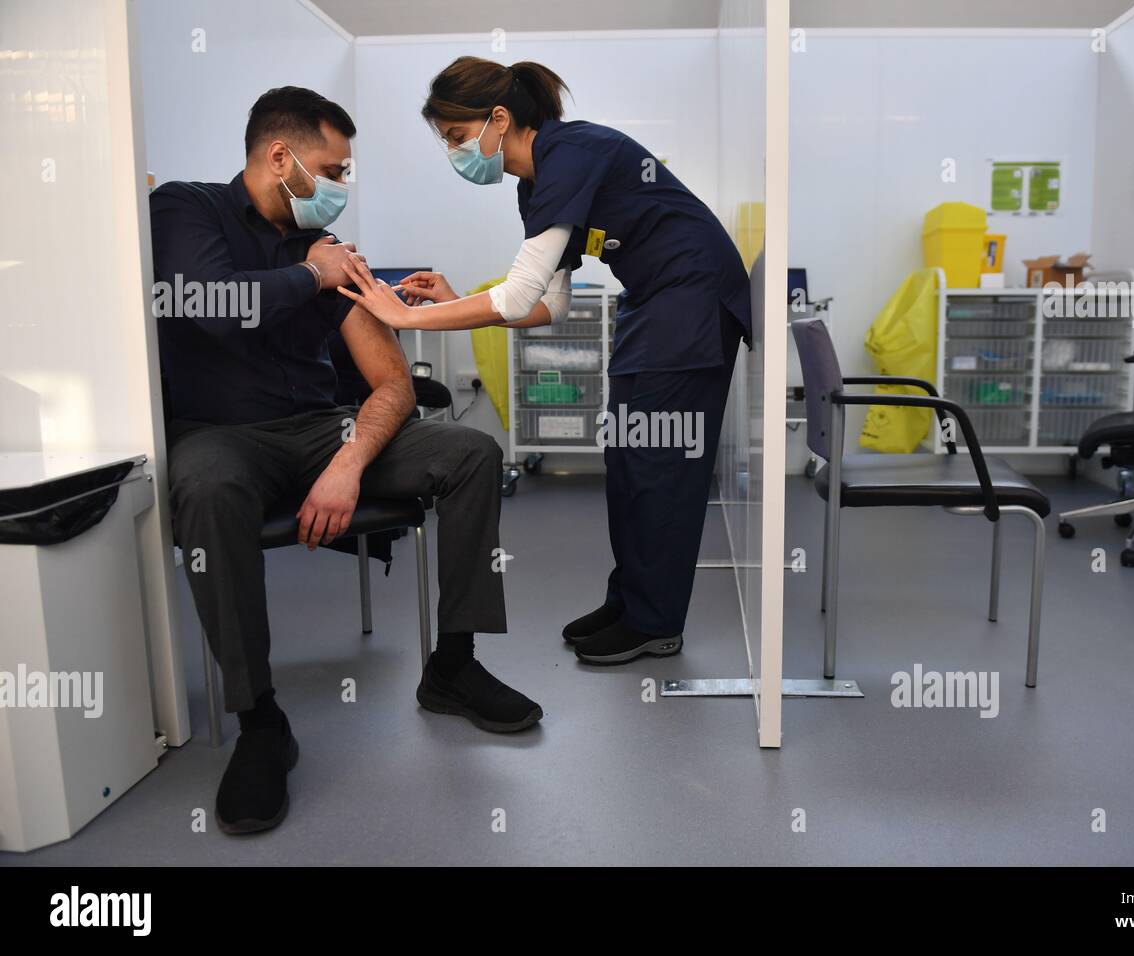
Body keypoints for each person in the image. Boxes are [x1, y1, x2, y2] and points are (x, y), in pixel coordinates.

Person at [151, 86, 541, 836]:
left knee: (471, 454)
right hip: (223, 436)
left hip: (323, 431)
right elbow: (202, 302)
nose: (338, 188)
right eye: (332, 170)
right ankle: (260, 719)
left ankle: (452, 667)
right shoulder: (187, 210)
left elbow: (393, 380)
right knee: (203, 488)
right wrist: (312, 276)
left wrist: (351, 459)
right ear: (279, 156)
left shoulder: (323, 250)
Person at [335, 58, 753, 666]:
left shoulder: (571, 152)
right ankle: (631, 602)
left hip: (690, 302)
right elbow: (549, 304)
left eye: (456, 136)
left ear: (498, 118)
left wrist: (406, 317)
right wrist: (453, 303)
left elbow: (515, 296)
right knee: (631, 460)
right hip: (652, 304)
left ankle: (657, 622)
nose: (454, 152)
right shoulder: (536, 185)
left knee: (662, 467)